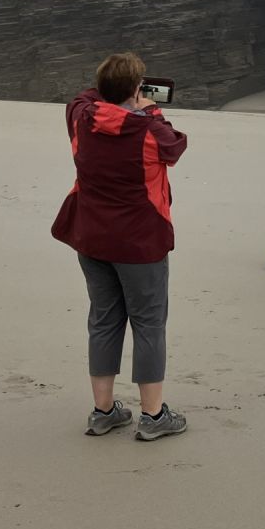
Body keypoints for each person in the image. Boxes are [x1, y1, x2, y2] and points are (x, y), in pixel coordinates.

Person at [51, 52, 190, 441]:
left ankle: (103, 410)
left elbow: (82, 96)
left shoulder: (81, 116)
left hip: (92, 236)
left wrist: (119, 93)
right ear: (135, 89)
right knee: (148, 323)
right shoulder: (148, 129)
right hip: (140, 240)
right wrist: (148, 110)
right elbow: (175, 146)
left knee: (104, 319)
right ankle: (153, 415)